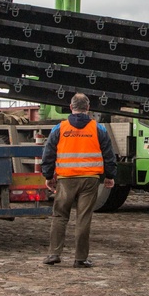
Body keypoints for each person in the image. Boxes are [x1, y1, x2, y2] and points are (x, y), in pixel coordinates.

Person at [40, 92, 117, 268]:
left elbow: (49, 153)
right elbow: (109, 154)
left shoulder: (59, 128)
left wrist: (48, 175)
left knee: (59, 215)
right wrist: (110, 176)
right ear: (88, 108)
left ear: (71, 107)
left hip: (66, 179)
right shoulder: (98, 128)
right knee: (83, 217)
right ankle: (80, 258)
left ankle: (54, 254)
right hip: (90, 179)